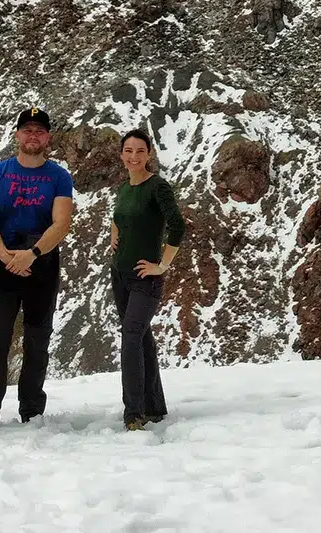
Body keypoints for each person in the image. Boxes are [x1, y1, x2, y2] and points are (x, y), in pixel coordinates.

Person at [0, 106, 76, 437]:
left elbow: (62, 223)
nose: (33, 136)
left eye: (39, 131)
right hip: (4, 262)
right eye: (27, 130)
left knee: (37, 340)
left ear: (48, 138)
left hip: (41, 261)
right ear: (17, 135)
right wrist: (5, 256)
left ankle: (32, 411)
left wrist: (31, 254)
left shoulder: (59, 177)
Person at [110, 127, 186, 430]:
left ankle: (134, 414)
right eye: (128, 151)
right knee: (141, 336)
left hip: (146, 278)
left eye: (140, 151)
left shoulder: (158, 187)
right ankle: (154, 406)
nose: (134, 156)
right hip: (120, 273)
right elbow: (119, 219)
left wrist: (162, 266)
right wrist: (114, 239)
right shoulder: (124, 188)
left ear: (149, 154)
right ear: (121, 155)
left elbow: (177, 226)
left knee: (131, 337)